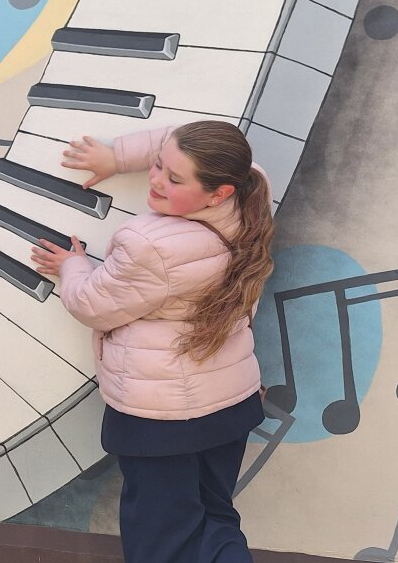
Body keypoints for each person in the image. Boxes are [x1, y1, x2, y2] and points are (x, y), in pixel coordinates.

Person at [30, 121, 275, 563]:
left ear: (217, 192)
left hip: (162, 421)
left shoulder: (150, 245)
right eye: (159, 165)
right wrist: (118, 157)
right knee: (217, 522)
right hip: (230, 405)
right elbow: (181, 138)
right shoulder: (250, 193)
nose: (156, 180)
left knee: (162, 543)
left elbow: (90, 304)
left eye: (174, 179)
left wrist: (72, 265)